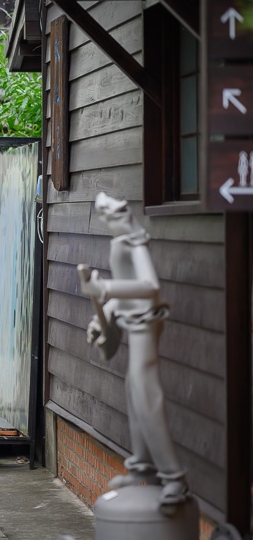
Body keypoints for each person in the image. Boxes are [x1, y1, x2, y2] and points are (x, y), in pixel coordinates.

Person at [79, 192, 189, 508]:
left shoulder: (135, 243)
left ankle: (174, 478)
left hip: (146, 323)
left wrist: (106, 289)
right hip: (133, 321)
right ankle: (143, 466)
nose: (106, 223)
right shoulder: (119, 244)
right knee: (133, 391)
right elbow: (126, 291)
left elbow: (150, 287)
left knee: (147, 396)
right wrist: (106, 313)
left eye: (108, 217)